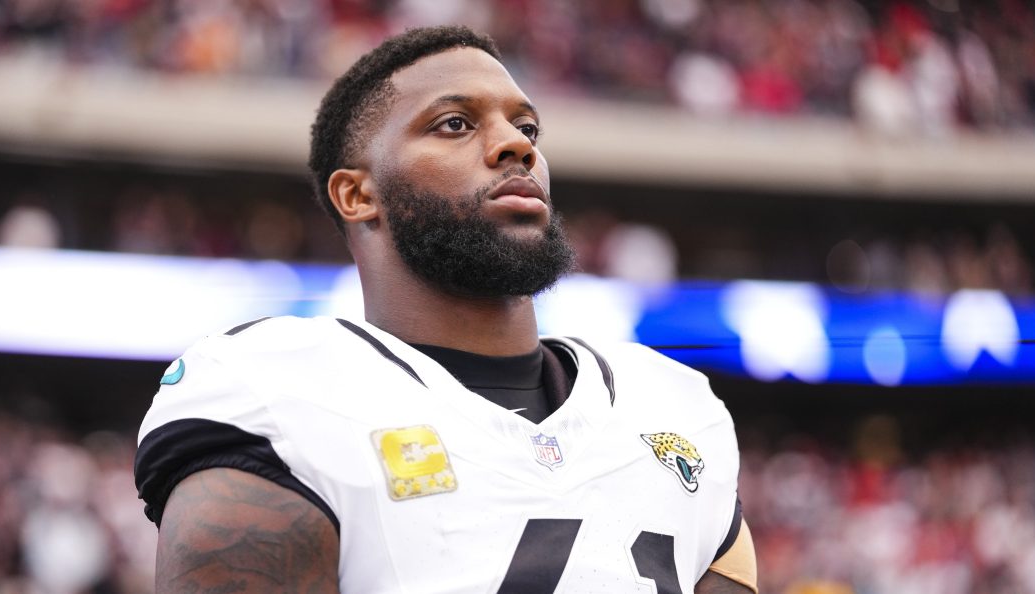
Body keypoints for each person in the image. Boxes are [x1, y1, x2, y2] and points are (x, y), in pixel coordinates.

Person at [134, 25, 757, 594]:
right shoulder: (276, 390)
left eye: (528, 128)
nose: (515, 146)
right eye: (455, 123)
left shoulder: (678, 408)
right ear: (357, 194)